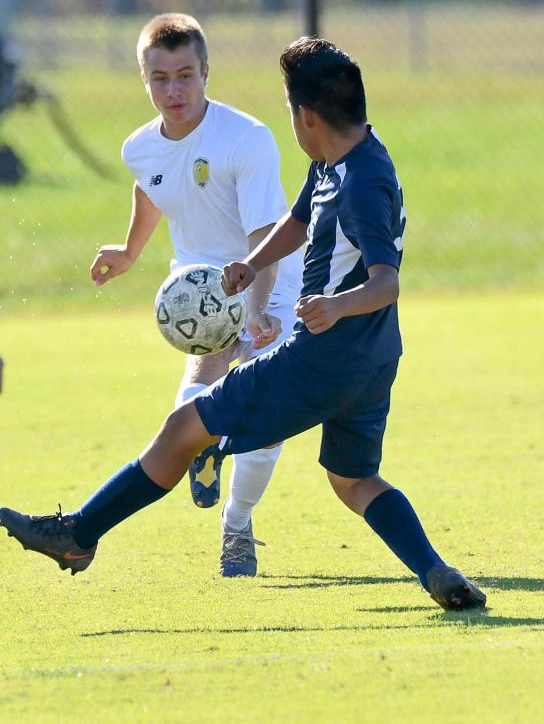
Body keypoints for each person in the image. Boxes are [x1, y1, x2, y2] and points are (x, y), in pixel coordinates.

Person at [0, 37, 486, 611]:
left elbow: (387, 281)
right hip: (372, 359)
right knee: (353, 481)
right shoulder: (340, 158)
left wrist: (335, 306)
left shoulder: (361, 184)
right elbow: (300, 219)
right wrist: (251, 266)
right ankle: (436, 571)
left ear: (304, 116)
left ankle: (78, 536)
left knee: (183, 427)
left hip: (324, 356)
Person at [90, 13, 302, 576]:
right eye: (160, 78)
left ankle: (236, 526)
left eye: (185, 74)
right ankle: (205, 448)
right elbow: (152, 185)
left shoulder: (245, 138)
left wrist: (256, 311)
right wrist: (131, 252)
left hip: (270, 280)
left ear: (206, 72)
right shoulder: (139, 147)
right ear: (145, 80)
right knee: (191, 409)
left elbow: (264, 234)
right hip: (197, 290)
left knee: (265, 420)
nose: (174, 89)